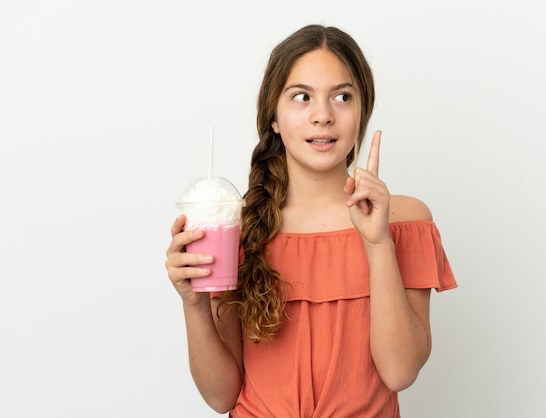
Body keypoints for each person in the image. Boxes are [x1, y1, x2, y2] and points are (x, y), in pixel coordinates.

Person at [165, 24, 457, 417]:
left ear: (361, 112)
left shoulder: (405, 221)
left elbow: (400, 371)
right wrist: (194, 305)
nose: (323, 116)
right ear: (273, 117)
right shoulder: (236, 230)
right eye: (301, 97)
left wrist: (378, 245)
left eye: (342, 96)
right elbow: (221, 397)